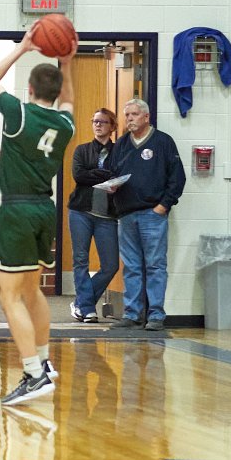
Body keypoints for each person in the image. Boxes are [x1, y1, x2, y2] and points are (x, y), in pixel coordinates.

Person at [0, 22, 77, 406]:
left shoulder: (19, 113)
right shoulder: (65, 123)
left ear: (30, 89)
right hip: (44, 209)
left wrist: (22, 48)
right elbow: (68, 100)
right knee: (32, 290)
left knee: (10, 298)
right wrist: (66, 63)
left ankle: (33, 373)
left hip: (17, 210)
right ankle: (44, 360)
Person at [107, 98, 186, 331]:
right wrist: (111, 187)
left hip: (153, 214)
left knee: (155, 266)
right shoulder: (121, 144)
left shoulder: (163, 142)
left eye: (134, 114)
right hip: (126, 214)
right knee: (131, 266)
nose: (129, 119)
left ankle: (156, 316)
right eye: (127, 115)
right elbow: (112, 173)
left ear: (146, 117)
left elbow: (177, 178)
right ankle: (131, 314)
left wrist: (163, 206)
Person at [67, 108, 119, 323]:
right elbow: (79, 176)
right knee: (81, 260)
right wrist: (104, 175)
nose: (97, 125)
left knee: (111, 265)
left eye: (102, 122)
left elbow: (120, 176)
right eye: (94, 121)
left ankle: (81, 303)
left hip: (107, 215)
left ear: (112, 126)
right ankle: (88, 309)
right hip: (81, 211)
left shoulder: (119, 152)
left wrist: (94, 175)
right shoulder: (82, 150)